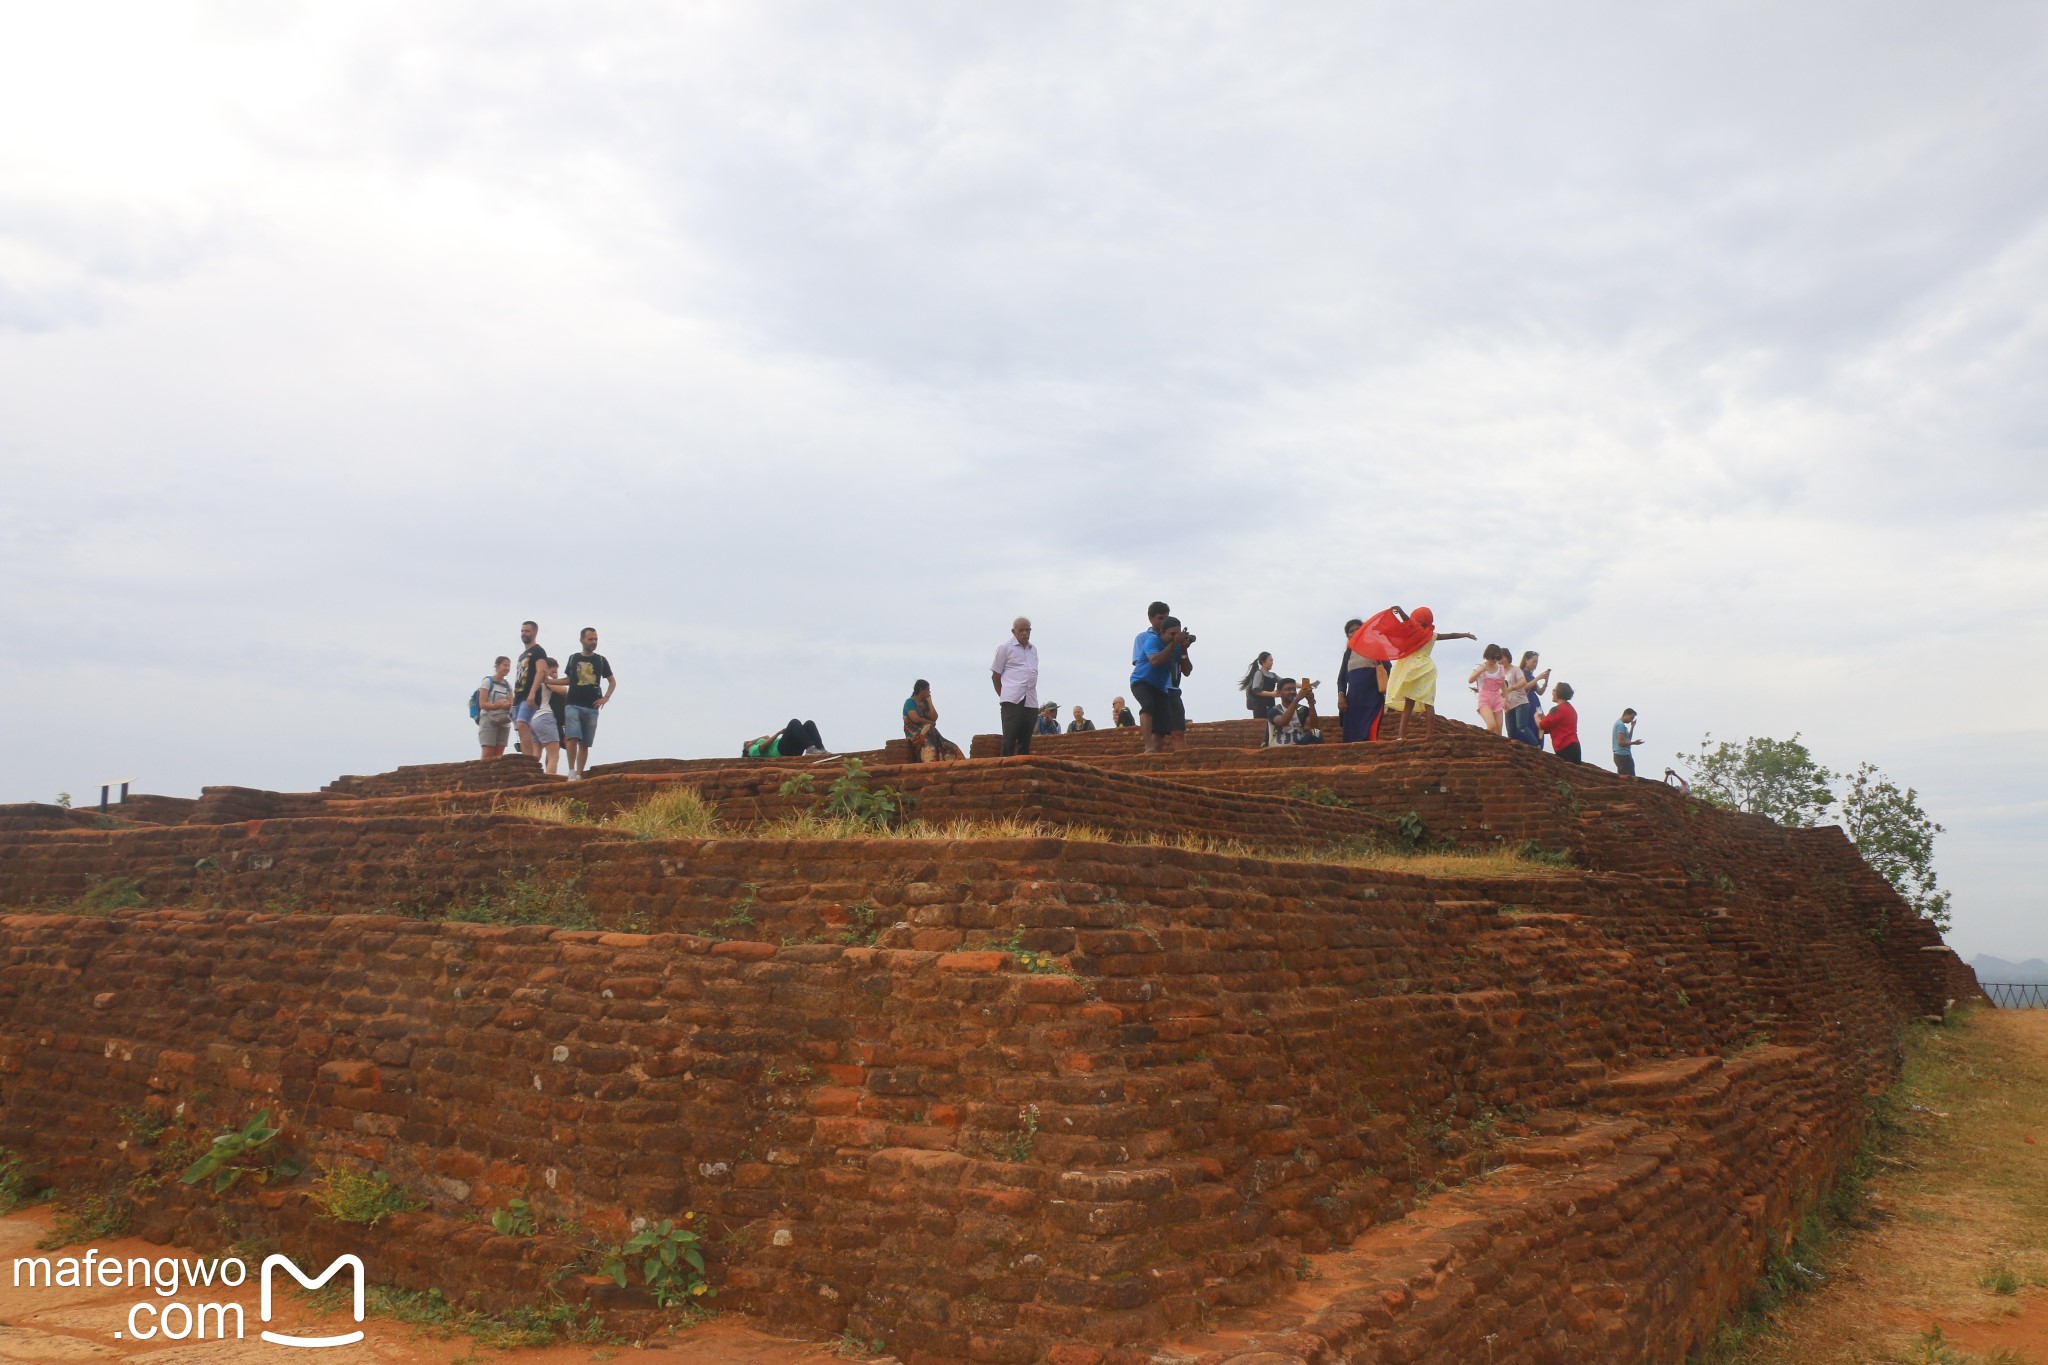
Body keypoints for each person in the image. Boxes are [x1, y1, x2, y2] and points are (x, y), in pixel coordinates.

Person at [1349, 606, 1477, 741]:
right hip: (1427, 669)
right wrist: (1465, 635)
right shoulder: (1431, 635)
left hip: (1412, 670)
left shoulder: (1415, 632)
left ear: (1419, 621)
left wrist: (1400, 613)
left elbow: (1406, 622)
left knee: (1409, 704)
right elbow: (1450, 635)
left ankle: (1401, 736)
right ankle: (1428, 736)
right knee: (1428, 703)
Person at [1129, 602, 1195, 754]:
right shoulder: (1146, 639)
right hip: (1147, 683)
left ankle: (1173, 763)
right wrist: (1173, 646)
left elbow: (1187, 671)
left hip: (1168, 688)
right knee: (1148, 706)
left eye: (1166, 617)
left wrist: (1183, 649)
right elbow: (1150, 662)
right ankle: (1149, 749)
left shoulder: (1177, 643)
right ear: (1150, 618)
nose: (1163, 621)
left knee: (1171, 728)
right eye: (1160, 618)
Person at [560, 627, 616, 781]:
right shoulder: (573, 658)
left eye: (596, 639)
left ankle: (579, 773)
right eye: (590, 639)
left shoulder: (600, 660)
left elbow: (612, 681)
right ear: (582, 640)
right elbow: (569, 679)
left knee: (584, 742)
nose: (594, 642)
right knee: (572, 737)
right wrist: (549, 681)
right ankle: (571, 771)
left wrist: (606, 697)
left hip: (592, 706)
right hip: (572, 703)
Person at [990, 617, 1040, 756]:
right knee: (1009, 739)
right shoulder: (1005, 648)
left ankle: (1022, 771)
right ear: (1014, 631)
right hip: (1012, 699)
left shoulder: (1033, 650)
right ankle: (1005, 770)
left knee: (1025, 740)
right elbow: (996, 676)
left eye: (1027, 630)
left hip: (1030, 699)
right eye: (1021, 630)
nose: (1025, 633)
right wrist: (1004, 695)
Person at [1337, 619, 1388, 744]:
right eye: (1351, 631)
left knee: (1371, 735)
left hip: (1373, 700)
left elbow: (1388, 670)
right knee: (1352, 738)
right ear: (1348, 636)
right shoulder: (1348, 653)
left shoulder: (1376, 648)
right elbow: (1342, 679)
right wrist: (1341, 696)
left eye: (1358, 629)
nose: (1355, 632)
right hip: (1353, 702)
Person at [524, 656, 566, 775]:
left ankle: (529, 777)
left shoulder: (532, 681)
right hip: (545, 716)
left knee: (536, 755)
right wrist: (553, 681)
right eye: (552, 671)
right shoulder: (545, 680)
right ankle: (549, 782)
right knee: (554, 755)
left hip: (533, 719)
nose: (554, 675)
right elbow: (563, 690)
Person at [903, 680, 964, 761]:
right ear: (921, 689)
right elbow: (915, 719)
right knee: (930, 749)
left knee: (951, 748)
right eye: (928, 689)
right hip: (915, 732)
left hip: (931, 733)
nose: (929, 692)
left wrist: (930, 702)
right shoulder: (910, 702)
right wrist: (930, 722)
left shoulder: (925, 703)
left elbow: (934, 717)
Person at [511, 620, 546, 755]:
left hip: (529, 695)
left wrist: (532, 692)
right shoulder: (522, 655)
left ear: (534, 632)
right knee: (521, 728)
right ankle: (526, 757)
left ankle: (528, 760)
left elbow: (541, 671)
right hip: (519, 696)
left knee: (522, 724)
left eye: (527, 631)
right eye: (522, 631)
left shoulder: (538, 651)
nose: (524, 633)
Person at [1504, 650, 1549, 748]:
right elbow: (1524, 687)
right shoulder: (1521, 673)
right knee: (1525, 725)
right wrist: (1538, 678)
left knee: (1535, 726)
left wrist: (1545, 682)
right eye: (1533, 661)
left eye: (1536, 662)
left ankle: (1536, 745)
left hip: (1534, 703)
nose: (1535, 664)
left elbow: (1540, 691)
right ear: (1526, 660)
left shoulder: (1531, 676)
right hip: (1524, 702)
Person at [475, 656, 515, 759]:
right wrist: (496, 706)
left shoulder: (508, 686)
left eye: (509, 666)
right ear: (497, 666)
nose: (507, 668)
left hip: (503, 721)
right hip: (489, 719)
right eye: (505, 665)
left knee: (499, 755)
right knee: (487, 753)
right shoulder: (488, 682)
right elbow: (482, 704)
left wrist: (507, 705)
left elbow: (512, 703)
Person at [1268, 678, 1324, 746]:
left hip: (1298, 746)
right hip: (1279, 750)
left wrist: (1311, 703)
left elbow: (1314, 727)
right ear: (1279, 693)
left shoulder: (1302, 709)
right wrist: (1296, 699)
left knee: (1316, 732)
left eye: (1294, 689)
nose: (1292, 692)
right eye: (1288, 689)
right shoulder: (1274, 710)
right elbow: (1283, 722)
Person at [1468, 645, 1508, 736]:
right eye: (1493, 657)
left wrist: (1506, 699)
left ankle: (1496, 748)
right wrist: (1481, 670)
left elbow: (1503, 685)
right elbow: (1470, 680)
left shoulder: (1500, 668)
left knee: (1499, 729)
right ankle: (1483, 742)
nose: (1495, 660)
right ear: (1488, 656)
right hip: (1484, 699)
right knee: (1491, 725)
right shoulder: (1480, 666)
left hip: (1497, 698)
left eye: (1497, 658)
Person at [1538, 682, 1581, 763]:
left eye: (1554, 690)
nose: (1552, 692)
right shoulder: (1571, 709)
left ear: (1559, 692)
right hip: (1574, 746)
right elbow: (1552, 726)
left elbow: (1542, 725)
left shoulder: (1558, 709)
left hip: (1565, 747)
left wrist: (1536, 717)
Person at [745, 719, 827, 758]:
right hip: (781, 750)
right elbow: (763, 747)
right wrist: (778, 733)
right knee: (794, 723)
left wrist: (753, 741)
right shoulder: (752, 751)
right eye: (746, 744)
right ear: (746, 749)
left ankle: (821, 749)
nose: (748, 742)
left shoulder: (756, 743)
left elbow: (766, 736)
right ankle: (810, 749)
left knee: (809, 724)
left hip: (791, 749)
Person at [1239, 652, 1280, 721]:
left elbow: (1286, 681)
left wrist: (1303, 685)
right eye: (1270, 660)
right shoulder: (1259, 673)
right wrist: (1272, 694)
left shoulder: (1273, 675)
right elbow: (1255, 690)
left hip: (1270, 704)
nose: (1272, 662)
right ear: (1264, 662)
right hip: (1260, 706)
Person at [1612, 708, 1644, 776]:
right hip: (1622, 755)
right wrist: (1634, 743)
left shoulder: (1621, 725)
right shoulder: (1620, 725)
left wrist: (1632, 727)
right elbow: (1620, 742)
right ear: (1626, 714)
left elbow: (1627, 739)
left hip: (1624, 755)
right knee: (1628, 778)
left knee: (1631, 776)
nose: (1631, 720)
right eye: (1631, 718)